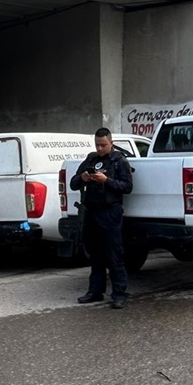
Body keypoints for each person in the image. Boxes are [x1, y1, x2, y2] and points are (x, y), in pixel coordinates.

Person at [68, 128, 134, 309]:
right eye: (97, 144)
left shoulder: (118, 160)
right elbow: (73, 183)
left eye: (103, 145)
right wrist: (83, 178)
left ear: (111, 143)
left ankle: (119, 293)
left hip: (110, 212)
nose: (99, 148)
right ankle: (95, 291)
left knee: (114, 254)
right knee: (95, 254)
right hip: (91, 211)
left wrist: (106, 180)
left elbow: (127, 186)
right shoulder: (91, 159)